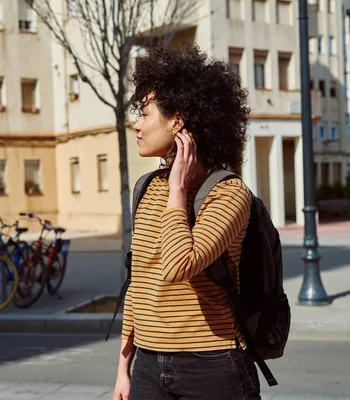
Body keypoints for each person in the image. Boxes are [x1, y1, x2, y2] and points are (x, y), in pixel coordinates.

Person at [112, 43, 261, 400]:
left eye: (146, 114)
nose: (137, 123)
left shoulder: (228, 193)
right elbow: (140, 282)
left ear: (177, 121)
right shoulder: (145, 188)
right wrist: (123, 368)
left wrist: (178, 189)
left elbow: (179, 265)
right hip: (149, 366)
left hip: (214, 365)